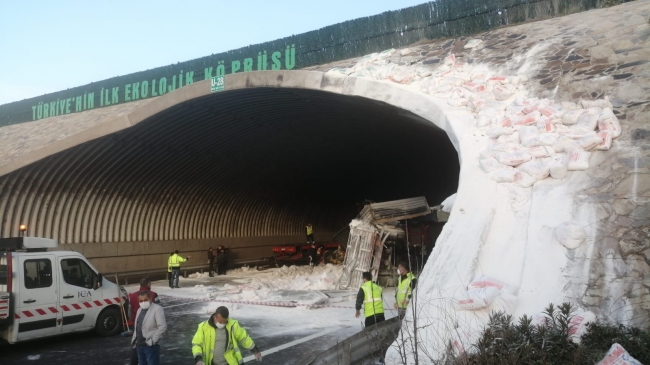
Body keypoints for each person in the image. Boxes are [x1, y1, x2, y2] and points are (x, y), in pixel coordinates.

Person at [192, 306, 262, 365]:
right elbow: (196, 344)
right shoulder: (203, 327)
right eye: (220, 322)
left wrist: (255, 350)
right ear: (214, 317)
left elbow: (244, 338)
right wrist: (198, 359)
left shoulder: (233, 325)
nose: (222, 324)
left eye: (224, 322)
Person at [131, 290, 167, 365]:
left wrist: (153, 341)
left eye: (145, 300)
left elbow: (162, 327)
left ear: (150, 299)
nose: (143, 302)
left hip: (150, 346)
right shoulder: (139, 310)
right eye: (141, 301)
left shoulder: (157, 309)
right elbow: (137, 325)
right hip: (139, 345)